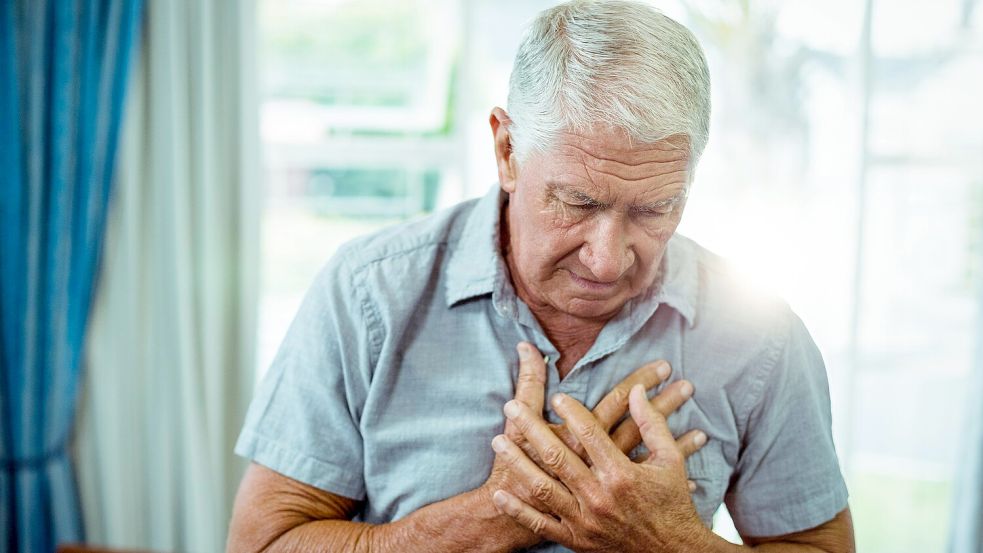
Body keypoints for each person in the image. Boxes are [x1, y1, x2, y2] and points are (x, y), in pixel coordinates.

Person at [227, 1, 855, 551]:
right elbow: (263, 544)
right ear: (507, 151)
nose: (607, 260)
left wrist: (665, 546)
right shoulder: (368, 295)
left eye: (653, 208)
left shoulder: (762, 337)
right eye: (577, 203)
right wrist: (491, 518)